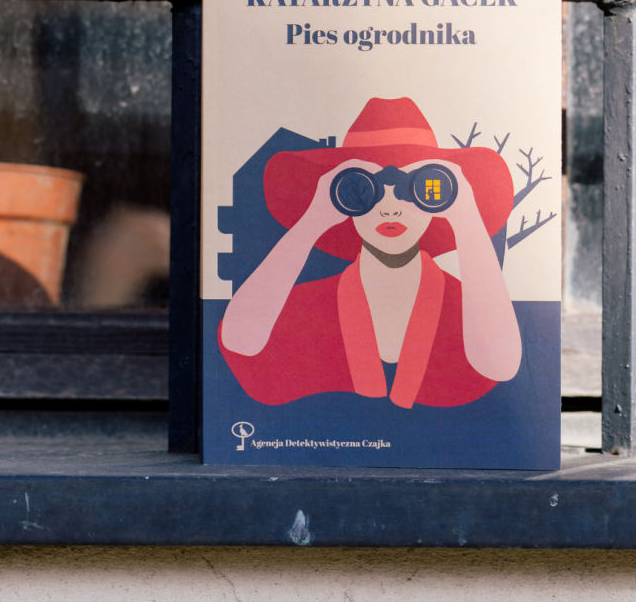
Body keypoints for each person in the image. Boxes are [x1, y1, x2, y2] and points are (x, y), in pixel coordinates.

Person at [218, 97, 522, 409]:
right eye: (364, 191)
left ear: (440, 201)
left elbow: (500, 366)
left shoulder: (472, 309)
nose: (390, 209)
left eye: (413, 190)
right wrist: (312, 221)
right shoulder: (309, 305)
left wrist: (466, 218)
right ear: (341, 201)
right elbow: (240, 341)